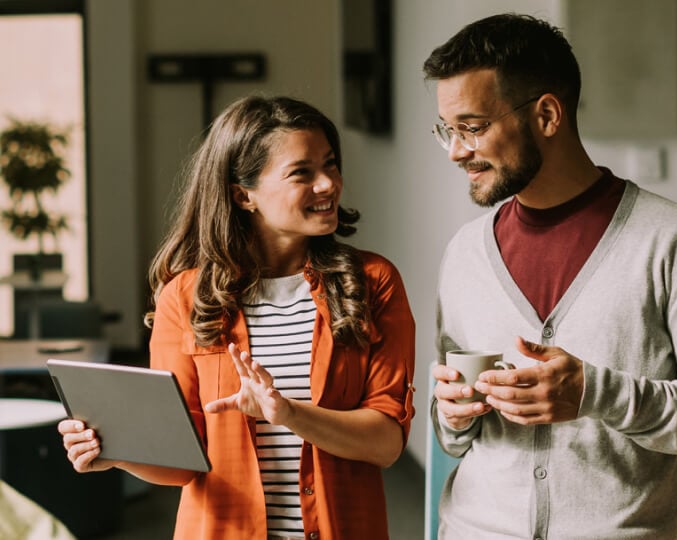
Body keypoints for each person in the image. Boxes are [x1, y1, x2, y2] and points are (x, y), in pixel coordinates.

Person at [424, 13, 677, 540]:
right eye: (448, 130)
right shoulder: (465, 253)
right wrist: (454, 415)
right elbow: (454, 438)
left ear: (548, 115)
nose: (456, 150)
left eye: (473, 127)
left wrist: (594, 393)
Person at [57, 95, 416, 540]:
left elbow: (385, 443)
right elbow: (180, 460)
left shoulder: (373, 282)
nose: (328, 184)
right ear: (243, 195)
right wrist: (115, 452)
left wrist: (287, 413)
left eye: (331, 164)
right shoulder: (185, 297)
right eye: (302, 172)